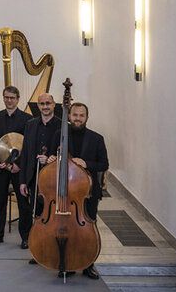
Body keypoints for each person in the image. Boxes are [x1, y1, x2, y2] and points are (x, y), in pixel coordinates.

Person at [63, 102, 109, 280]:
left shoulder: (97, 138)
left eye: (82, 115)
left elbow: (104, 164)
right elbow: (53, 157)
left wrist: (86, 163)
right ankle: (67, 263)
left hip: (88, 193)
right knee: (66, 229)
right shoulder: (61, 134)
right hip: (65, 192)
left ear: (87, 118)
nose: (78, 118)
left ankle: (89, 264)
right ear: (69, 116)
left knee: (87, 231)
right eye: (75, 115)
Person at [0, 85, 32, 249]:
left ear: (17, 99)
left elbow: (27, 145)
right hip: (1, 166)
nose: (9, 100)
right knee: (1, 201)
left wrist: (17, 165)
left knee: (23, 202)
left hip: (18, 169)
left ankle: (26, 237)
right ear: (3, 97)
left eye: (12, 97)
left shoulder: (26, 118)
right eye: (6, 97)